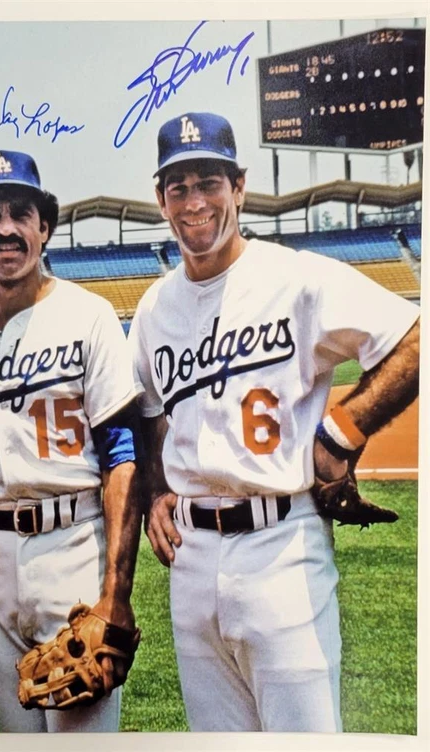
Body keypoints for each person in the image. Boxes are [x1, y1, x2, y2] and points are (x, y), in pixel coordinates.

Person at [130, 112, 420, 732]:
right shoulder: (155, 306)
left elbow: (413, 338)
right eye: (178, 186)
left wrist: (343, 430)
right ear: (160, 200)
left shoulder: (294, 277)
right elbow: (149, 409)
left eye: (208, 181)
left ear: (239, 187)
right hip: (191, 559)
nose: (194, 201)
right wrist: (155, 488)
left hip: (281, 547)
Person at [0, 150, 142, 732]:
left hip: (73, 546)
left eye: (20, 212)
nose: (6, 228)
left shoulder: (89, 315)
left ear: (43, 227)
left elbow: (122, 453)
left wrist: (116, 595)